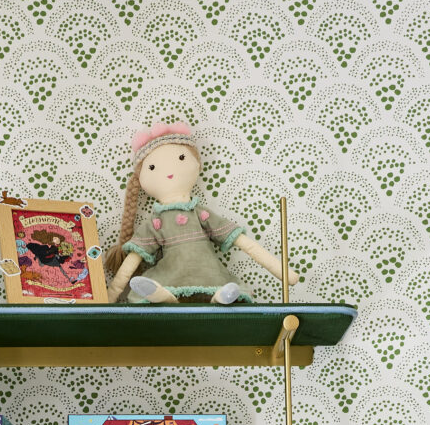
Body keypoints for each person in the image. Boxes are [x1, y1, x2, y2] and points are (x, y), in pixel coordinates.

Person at [107, 120, 302, 306]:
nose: (169, 172)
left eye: (181, 158)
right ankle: (163, 296)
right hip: (171, 275)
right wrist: (109, 295)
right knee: (162, 288)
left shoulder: (200, 214)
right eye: (152, 167)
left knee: (222, 288)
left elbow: (243, 242)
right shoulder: (156, 222)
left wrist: (283, 272)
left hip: (210, 275)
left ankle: (220, 298)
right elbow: (133, 259)